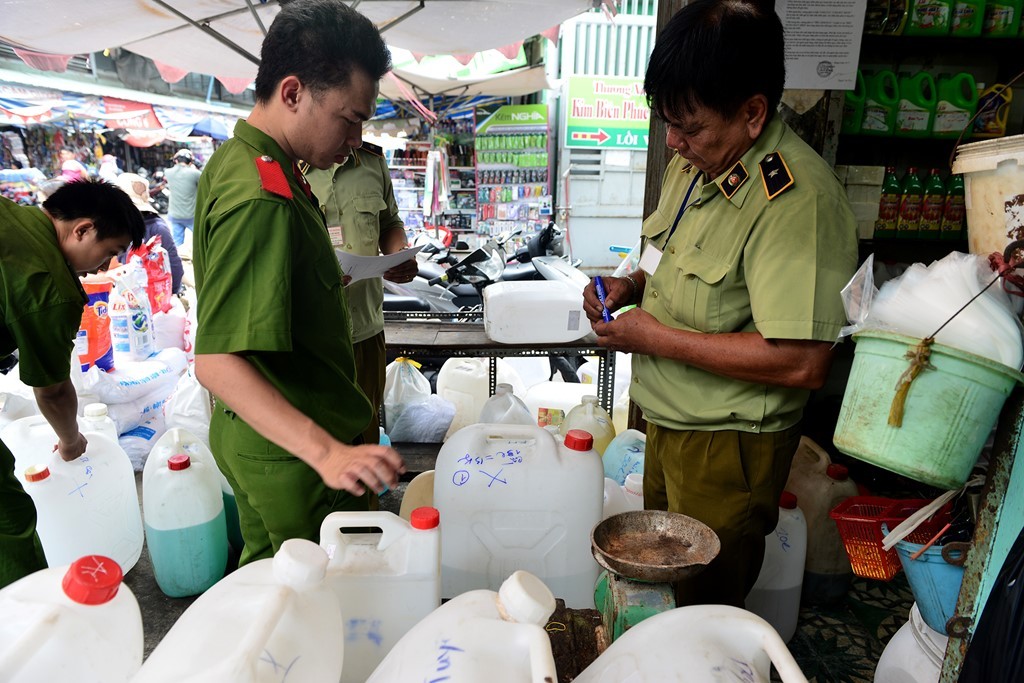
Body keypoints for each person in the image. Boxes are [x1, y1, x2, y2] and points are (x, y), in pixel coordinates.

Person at [582, 0, 858, 608]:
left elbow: (803, 362)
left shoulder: (796, 201)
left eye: (691, 127)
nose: (675, 144)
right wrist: (630, 285)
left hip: (727, 448)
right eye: (667, 124)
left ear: (753, 113)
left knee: (702, 605)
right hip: (667, 424)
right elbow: (668, 254)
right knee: (656, 595)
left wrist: (655, 339)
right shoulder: (699, 163)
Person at [192, 0, 405, 567]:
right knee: (313, 593)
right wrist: (328, 453)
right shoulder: (261, 197)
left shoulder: (249, 161)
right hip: (292, 449)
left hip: (265, 439)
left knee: (270, 579)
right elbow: (216, 361)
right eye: (350, 118)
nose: (357, 139)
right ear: (293, 93)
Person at [0, 178, 145, 587]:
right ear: (81, 229)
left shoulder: (14, 216)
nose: (103, 268)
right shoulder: (49, 282)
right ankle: (26, 617)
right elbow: (52, 390)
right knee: (10, 520)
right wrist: (70, 441)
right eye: (108, 252)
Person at [303, 145, 416, 448]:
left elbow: (390, 223)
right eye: (350, 117)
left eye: (362, 120)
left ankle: (367, 498)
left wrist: (398, 255)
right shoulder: (291, 164)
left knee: (365, 433)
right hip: (314, 336)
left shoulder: (372, 161)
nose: (355, 133)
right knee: (321, 441)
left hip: (367, 327)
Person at [115, 172, 185, 293]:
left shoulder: (157, 228)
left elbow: (174, 266)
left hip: (149, 297)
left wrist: (172, 292)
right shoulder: (117, 228)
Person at [164, 148, 202, 246]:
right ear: (190, 161)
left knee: (177, 242)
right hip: (192, 215)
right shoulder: (195, 173)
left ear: (176, 160)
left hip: (175, 214)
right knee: (200, 240)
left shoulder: (168, 172)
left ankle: (180, 260)